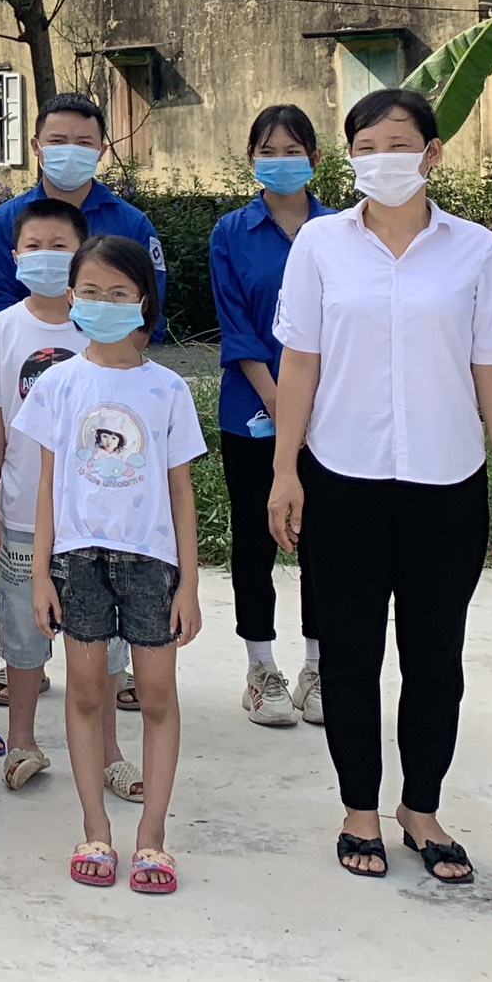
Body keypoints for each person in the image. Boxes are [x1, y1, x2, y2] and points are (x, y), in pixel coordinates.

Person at [267, 87, 492, 885]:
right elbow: (300, 362)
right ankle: (359, 809)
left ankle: (421, 809)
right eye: (367, 147)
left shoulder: (473, 250)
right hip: (342, 476)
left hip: (446, 480)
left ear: (433, 153)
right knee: (349, 654)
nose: (383, 160)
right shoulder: (320, 244)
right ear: (350, 158)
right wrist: (285, 469)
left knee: (435, 657)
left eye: (399, 144)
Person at [16, 234, 203, 896]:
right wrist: (41, 574)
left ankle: (152, 836)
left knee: (156, 696)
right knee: (86, 693)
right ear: (72, 297)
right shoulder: (57, 384)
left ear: (143, 301)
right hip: (79, 561)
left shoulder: (167, 388)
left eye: (119, 293)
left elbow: (180, 490)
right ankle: (94, 827)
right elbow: (46, 486)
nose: (104, 303)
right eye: (91, 292)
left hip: (151, 564)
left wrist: (189, 584)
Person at [0, 198, 93, 793]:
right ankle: (22, 739)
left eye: (60, 247)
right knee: (22, 632)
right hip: (20, 510)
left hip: (92, 516)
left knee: (98, 636)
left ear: (83, 254)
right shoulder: (2, 329)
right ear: (15, 256)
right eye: (34, 247)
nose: (47, 257)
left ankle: (107, 750)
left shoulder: (100, 324)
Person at [207, 103, 327, 728]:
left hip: (332, 415)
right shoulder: (231, 233)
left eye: (293, 151)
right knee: (255, 542)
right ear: (251, 159)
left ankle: (318, 666)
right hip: (253, 412)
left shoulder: (342, 229)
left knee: (324, 542)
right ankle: (261, 668)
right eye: (268, 151)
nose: (280, 162)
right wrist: (284, 405)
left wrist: (310, 410)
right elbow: (238, 330)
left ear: (315, 158)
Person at [0, 91, 167, 337]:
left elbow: (149, 309)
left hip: (112, 354)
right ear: (36, 146)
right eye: (58, 141)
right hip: (25, 354)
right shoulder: (1, 223)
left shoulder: (133, 225)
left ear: (101, 151)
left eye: (84, 143)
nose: (70, 151)